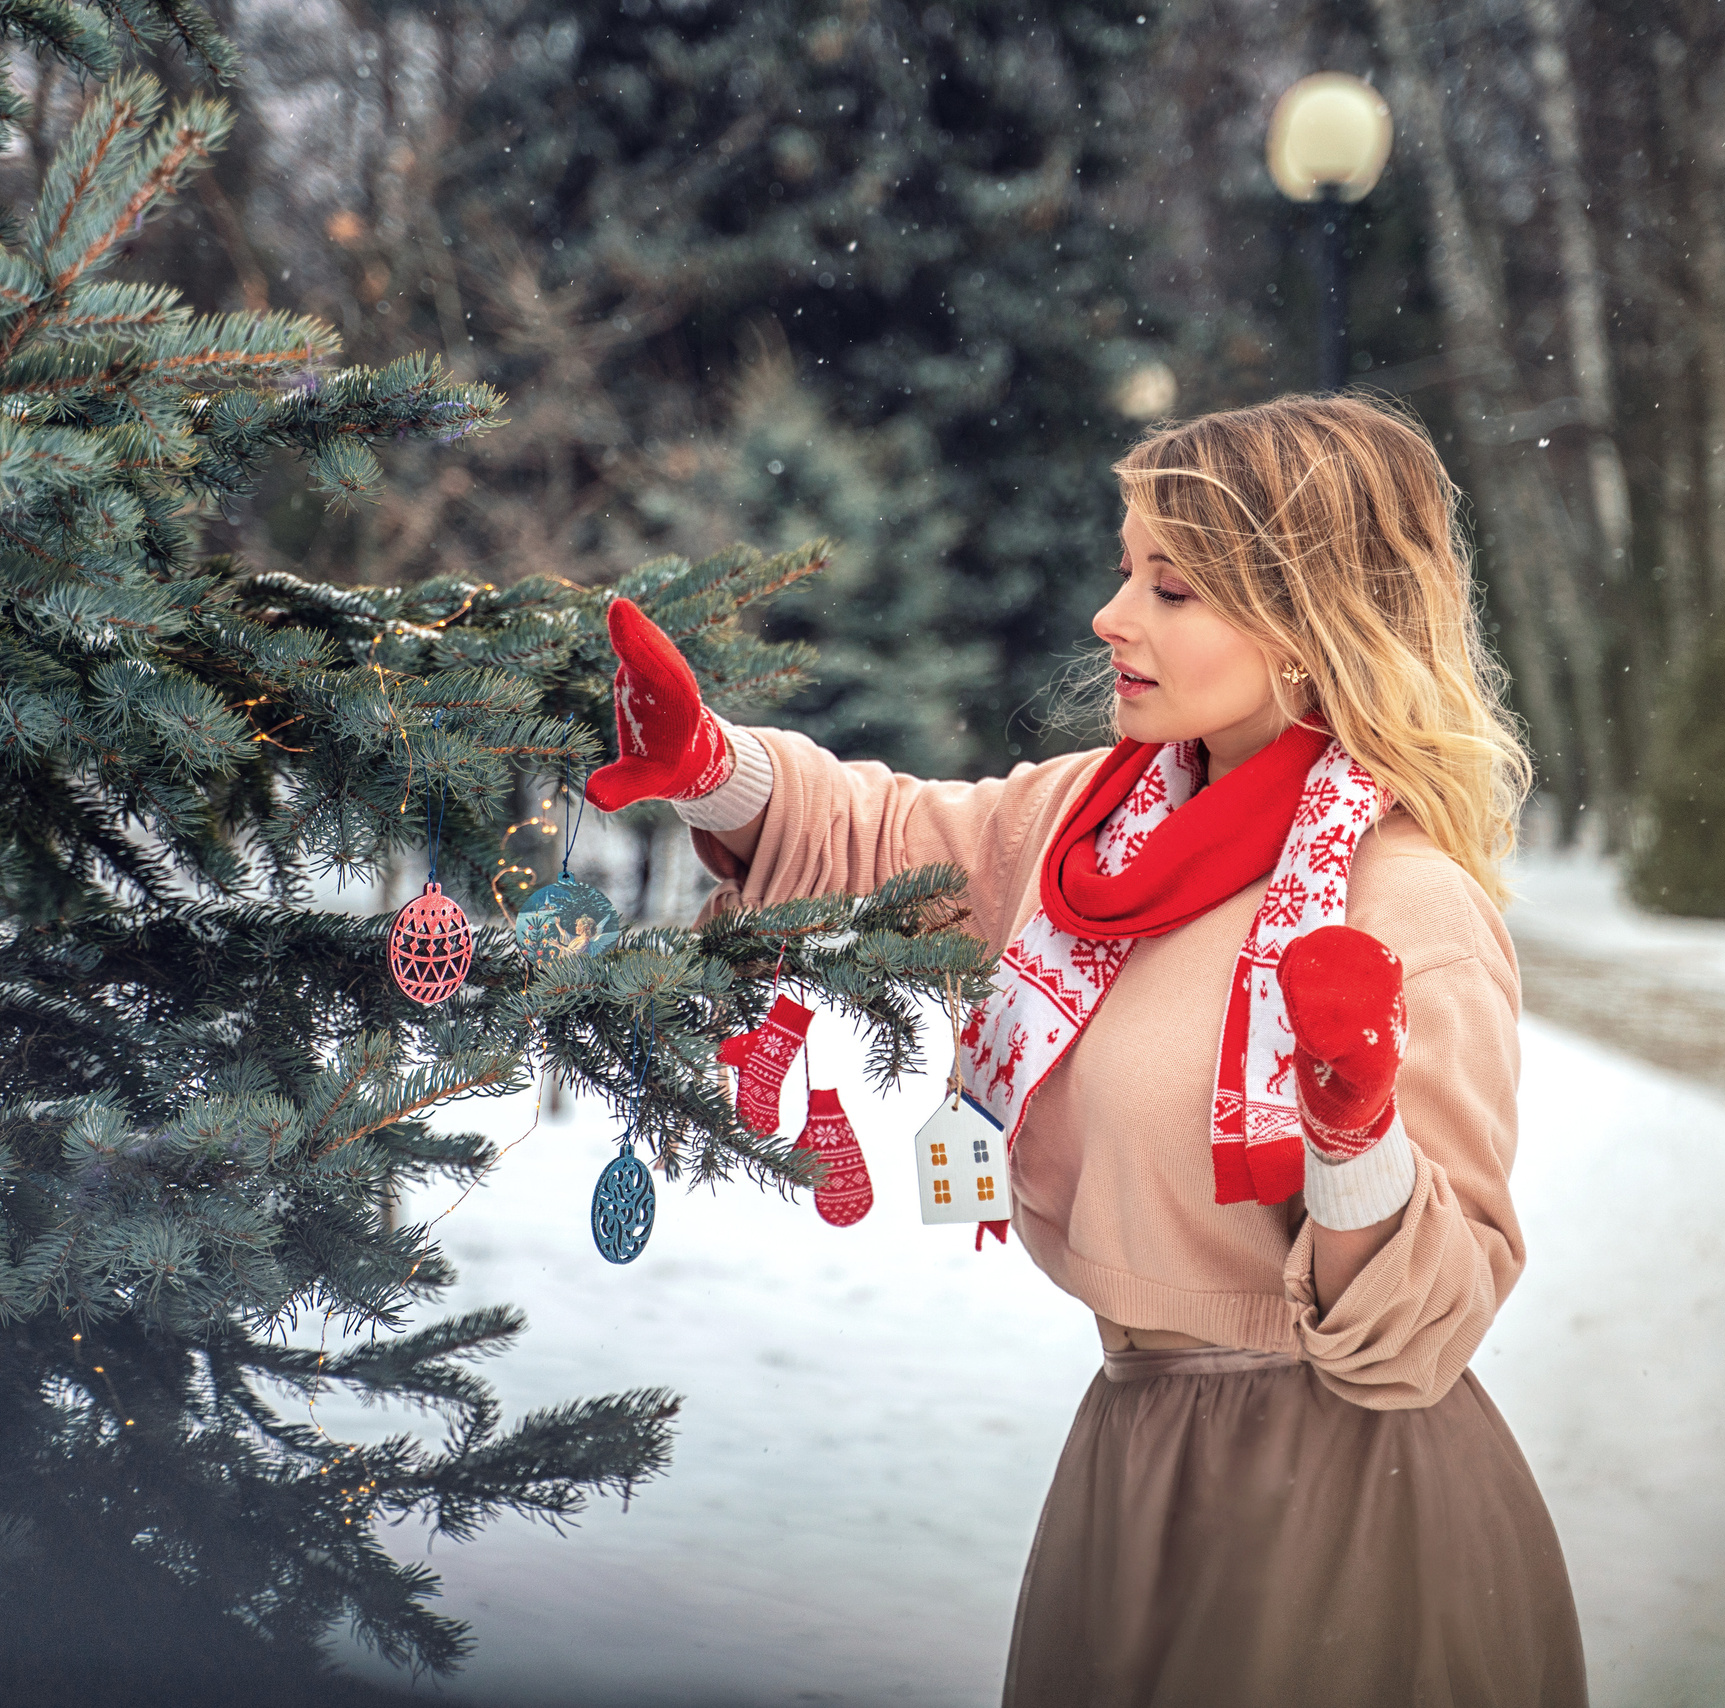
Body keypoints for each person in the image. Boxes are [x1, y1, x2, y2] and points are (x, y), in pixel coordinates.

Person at [586, 394, 1585, 1707]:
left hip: (1346, 1506)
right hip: (1129, 1474)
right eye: (1128, 571)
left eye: (1171, 588)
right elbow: (887, 837)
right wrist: (710, 765)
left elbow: (1426, 1332)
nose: (1114, 616)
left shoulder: (1403, 907)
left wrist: (1353, 1135)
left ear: (1306, 618)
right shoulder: (1092, 827)